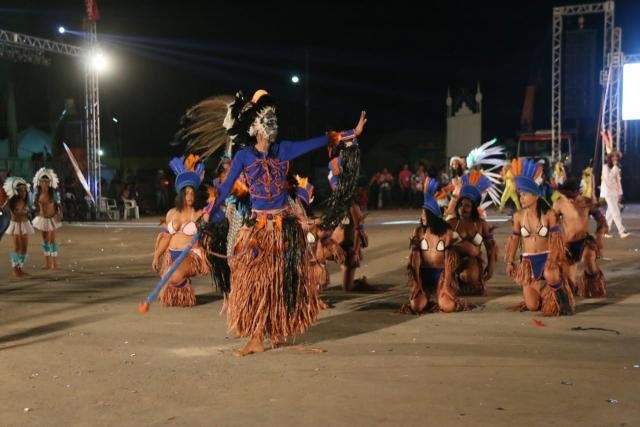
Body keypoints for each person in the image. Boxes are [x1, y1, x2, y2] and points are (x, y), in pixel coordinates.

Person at [177, 90, 366, 356]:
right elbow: (225, 188)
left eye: (275, 118)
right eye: (267, 118)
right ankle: (256, 338)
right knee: (254, 283)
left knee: (280, 282)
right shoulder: (244, 156)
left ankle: (276, 333)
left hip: (283, 230)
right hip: (256, 231)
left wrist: (351, 133)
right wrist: (207, 211)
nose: (273, 122)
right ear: (255, 127)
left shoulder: (284, 149)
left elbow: (319, 141)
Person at [504, 158, 575, 316]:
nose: (521, 198)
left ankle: (562, 298)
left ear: (535, 195)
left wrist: (553, 259)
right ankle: (550, 292)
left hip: (548, 258)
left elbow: (557, 240)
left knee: (551, 274)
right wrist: (510, 261)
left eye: (524, 195)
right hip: (529, 262)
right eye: (520, 195)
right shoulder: (518, 216)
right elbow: (514, 240)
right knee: (532, 306)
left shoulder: (549, 215)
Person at [401, 176, 467, 314]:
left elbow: (449, 263)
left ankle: (440, 295)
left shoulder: (447, 233)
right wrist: (417, 284)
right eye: (422, 213)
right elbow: (414, 262)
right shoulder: (418, 232)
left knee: (448, 307)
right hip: (423, 274)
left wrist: (447, 286)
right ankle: (426, 296)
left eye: (425, 214)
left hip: (442, 274)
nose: (422, 217)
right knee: (416, 306)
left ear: (433, 215)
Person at [152, 156, 210, 307]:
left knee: (172, 275)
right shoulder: (171, 213)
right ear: (181, 194)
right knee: (163, 291)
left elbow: (209, 228)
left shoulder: (199, 214)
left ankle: (182, 277)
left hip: (190, 255)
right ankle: (179, 282)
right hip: (172, 255)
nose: (189, 196)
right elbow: (166, 237)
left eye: (192, 193)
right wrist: (156, 256)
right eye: (186, 193)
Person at [553, 178, 608, 297]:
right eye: (567, 196)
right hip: (568, 245)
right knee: (569, 286)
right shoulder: (559, 203)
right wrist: (556, 240)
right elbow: (552, 223)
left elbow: (602, 222)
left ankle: (595, 284)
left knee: (589, 259)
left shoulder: (586, 202)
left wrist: (599, 238)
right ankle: (574, 287)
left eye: (572, 196)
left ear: (577, 192)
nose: (570, 200)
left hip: (584, 241)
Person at [447, 171, 497, 296]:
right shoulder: (451, 223)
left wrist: (490, 267)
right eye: (461, 205)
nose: (462, 209)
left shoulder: (481, 224)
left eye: (467, 206)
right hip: (452, 261)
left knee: (469, 277)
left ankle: (467, 281)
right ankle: (450, 281)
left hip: (472, 262)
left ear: (474, 208)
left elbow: (491, 248)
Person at [3, 177, 34, 276]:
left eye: (25, 190)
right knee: (17, 247)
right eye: (21, 190)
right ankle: (15, 269)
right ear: (16, 192)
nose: (24, 192)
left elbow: (25, 213)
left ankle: (19, 267)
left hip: (25, 224)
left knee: (24, 248)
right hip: (16, 225)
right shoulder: (12, 201)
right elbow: (5, 208)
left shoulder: (25, 201)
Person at [32, 168, 62, 270]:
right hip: (42, 219)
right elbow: (36, 206)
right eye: (42, 181)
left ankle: (54, 263)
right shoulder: (37, 194)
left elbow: (59, 205)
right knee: (45, 241)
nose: (44, 183)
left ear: (49, 183)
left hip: (51, 219)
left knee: (52, 240)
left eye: (46, 181)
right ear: (39, 183)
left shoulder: (53, 194)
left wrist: (59, 214)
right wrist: (36, 211)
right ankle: (48, 263)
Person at [600, 151, 629, 239]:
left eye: (616, 157)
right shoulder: (605, 167)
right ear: (609, 158)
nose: (615, 159)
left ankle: (605, 231)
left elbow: (618, 182)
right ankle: (621, 231)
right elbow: (608, 180)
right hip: (608, 193)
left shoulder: (617, 168)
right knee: (615, 212)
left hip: (615, 193)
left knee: (610, 213)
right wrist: (615, 168)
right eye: (613, 157)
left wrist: (620, 193)